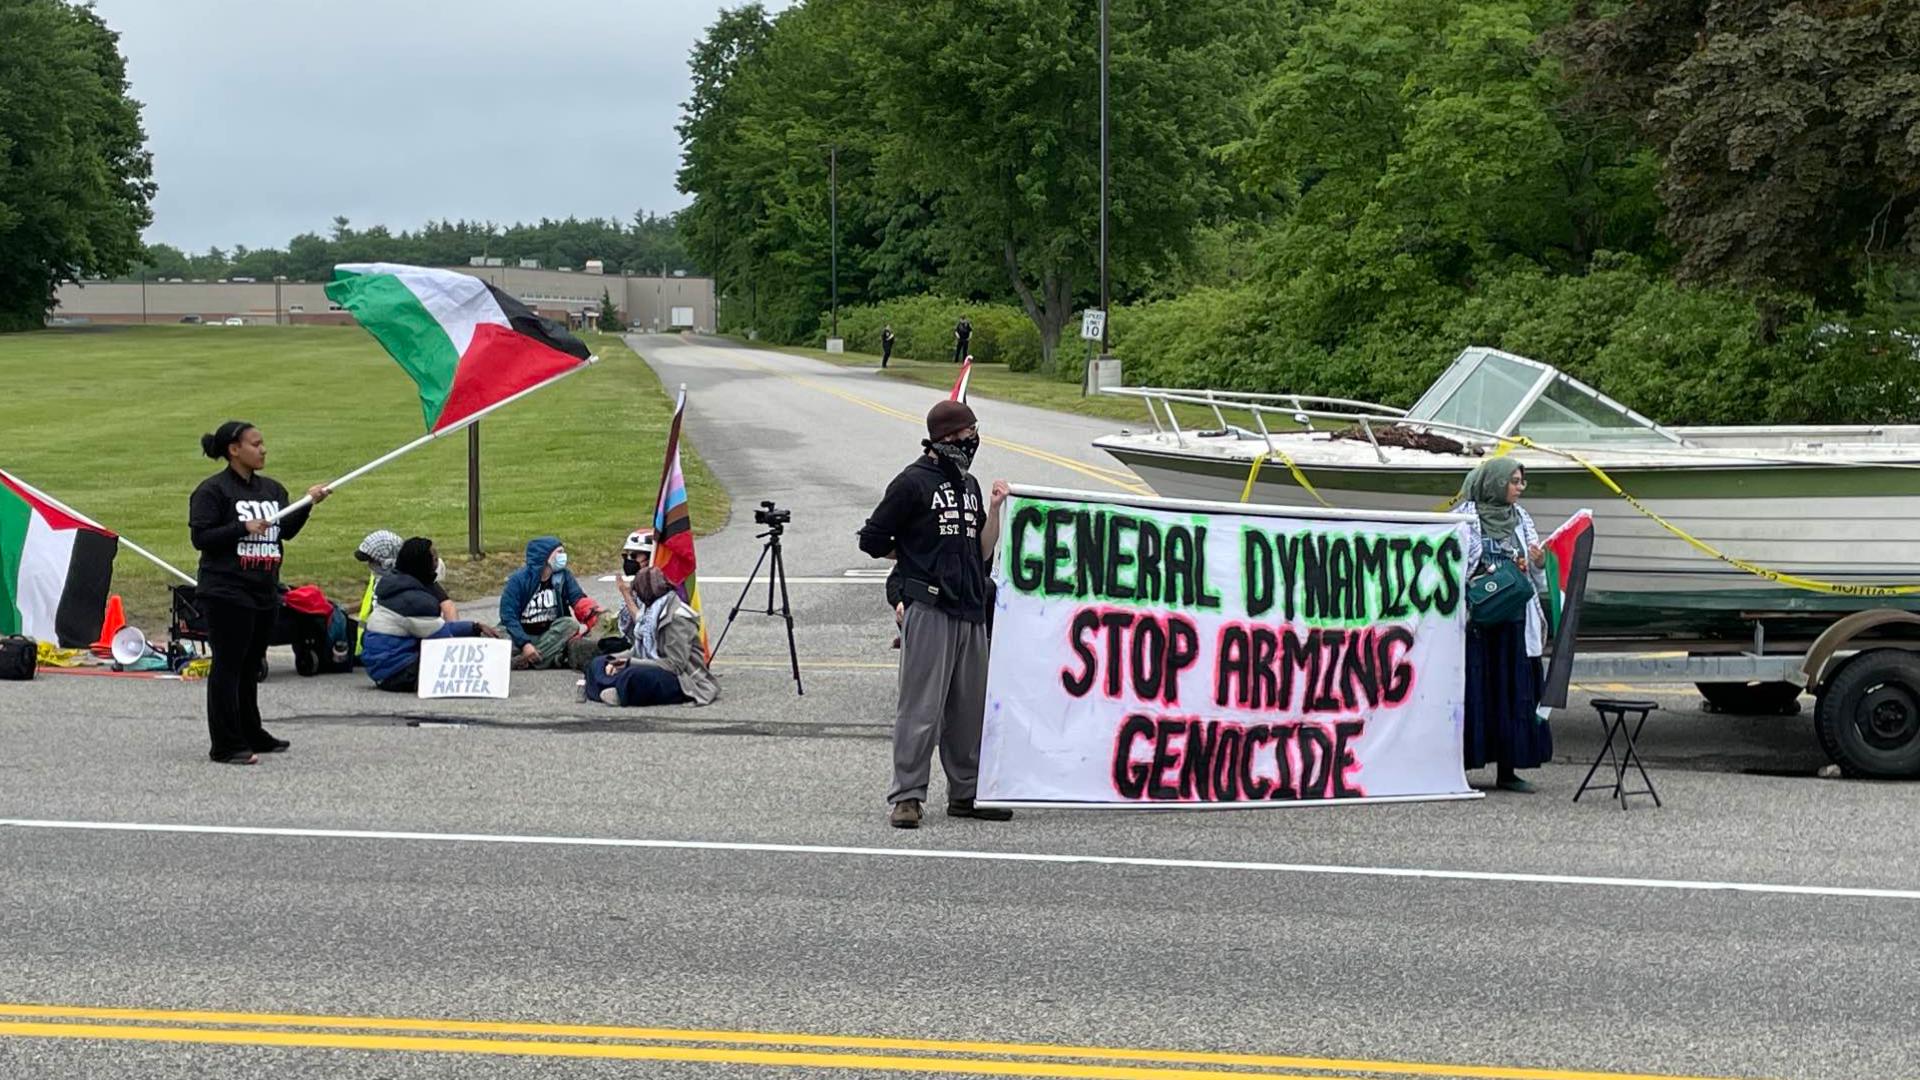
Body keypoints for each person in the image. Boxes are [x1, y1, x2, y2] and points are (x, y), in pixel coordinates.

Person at [858, 399, 1010, 828]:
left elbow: (981, 550)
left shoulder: (969, 484)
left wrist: (994, 511)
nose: (973, 440)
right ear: (946, 438)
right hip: (930, 606)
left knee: (968, 709)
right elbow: (871, 539)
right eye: (968, 433)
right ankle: (907, 796)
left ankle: (967, 792)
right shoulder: (913, 483)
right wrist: (910, 558)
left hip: (970, 608)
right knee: (921, 708)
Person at [188, 420, 329, 765]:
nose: (263, 449)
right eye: (256, 443)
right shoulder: (212, 491)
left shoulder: (272, 491)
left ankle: (252, 732)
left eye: (263, 443)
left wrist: (308, 504)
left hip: (264, 589)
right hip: (226, 590)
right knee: (229, 665)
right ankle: (225, 743)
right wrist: (241, 527)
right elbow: (201, 538)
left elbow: (285, 532)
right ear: (234, 450)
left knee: (250, 665)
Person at [1458, 457, 1551, 792]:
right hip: (1479, 621)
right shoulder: (1466, 517)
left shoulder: (1520, 518)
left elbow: (1537, 576)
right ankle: (1464, 767)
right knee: (1476, 689)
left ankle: (1508, 770)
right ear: (1495, 483)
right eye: (1514, 481)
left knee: (1513, 689)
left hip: (1514, 619)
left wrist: (1535, 562)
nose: (1519, 487)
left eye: (1521, 481)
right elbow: (1453, 565)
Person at [360, 537, 500, 692]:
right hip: (397, 672)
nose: (437, 562)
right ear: (422, 564)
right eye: (434, 558)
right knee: (457, 663)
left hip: (379, 669)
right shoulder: (415, 601)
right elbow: (442, 639)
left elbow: (436, 627)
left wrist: (474, 627)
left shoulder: (394, 587)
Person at [605, 563, 719, 705]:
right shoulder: (651, 610)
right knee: (599, 663)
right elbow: (641, 649)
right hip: (654, 665)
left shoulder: (677, 617)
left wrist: (630, 663)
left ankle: (623, 691)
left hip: (682, 678)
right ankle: (621, 689)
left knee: (632, 675)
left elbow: (675, 665)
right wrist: (614, 660)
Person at [499, 536, 600, 670]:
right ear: (545, 556)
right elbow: (508, 615)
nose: (563, 556)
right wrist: (525, 644)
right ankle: (546, 657)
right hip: (521, 633)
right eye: (559, 552)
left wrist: (594, 615)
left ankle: (526, 661)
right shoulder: (518, 580)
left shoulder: (563, 576)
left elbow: (578, 599)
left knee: (569, 624)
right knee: (495, 635)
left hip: (549, 635)